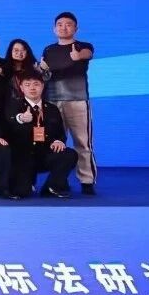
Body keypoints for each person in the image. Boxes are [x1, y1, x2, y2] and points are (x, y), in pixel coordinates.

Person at [41, 11, 97, 195]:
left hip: (77, 101)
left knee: (83, 143)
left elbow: (89, 53)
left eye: (68, 24)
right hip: (52, 102)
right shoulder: (48, 50)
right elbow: (45, 74)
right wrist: (41, 71)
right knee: (57, 143)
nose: (63, 27)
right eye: (60, 24)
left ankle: (87, 181)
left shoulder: (83, 46)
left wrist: (78, 56)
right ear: (54, 29)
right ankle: (60, 180)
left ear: (76, 28)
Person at [6, 71, 77, 199]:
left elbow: (60, 133)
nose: (32, 88)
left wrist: (58, 141)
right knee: (21, 192)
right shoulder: (13, 106)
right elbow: (10, 124)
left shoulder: (52, 108)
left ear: (42, 86)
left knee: (69, 154)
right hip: (22, 157)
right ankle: (24, 182)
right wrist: (20, 118)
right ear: (21, 87)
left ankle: (52, 186)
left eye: (36, 84)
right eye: (27, 85)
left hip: (45, 154)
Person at [6, 38, 43, 105]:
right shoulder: (4, 69)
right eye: (16, 50)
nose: (20, 53)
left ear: (27, 52)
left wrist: (42, 72)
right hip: (11, 105)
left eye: (23, 50)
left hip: (32, 103)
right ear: (10, 52)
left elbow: (44, 82)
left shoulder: (34, 67)